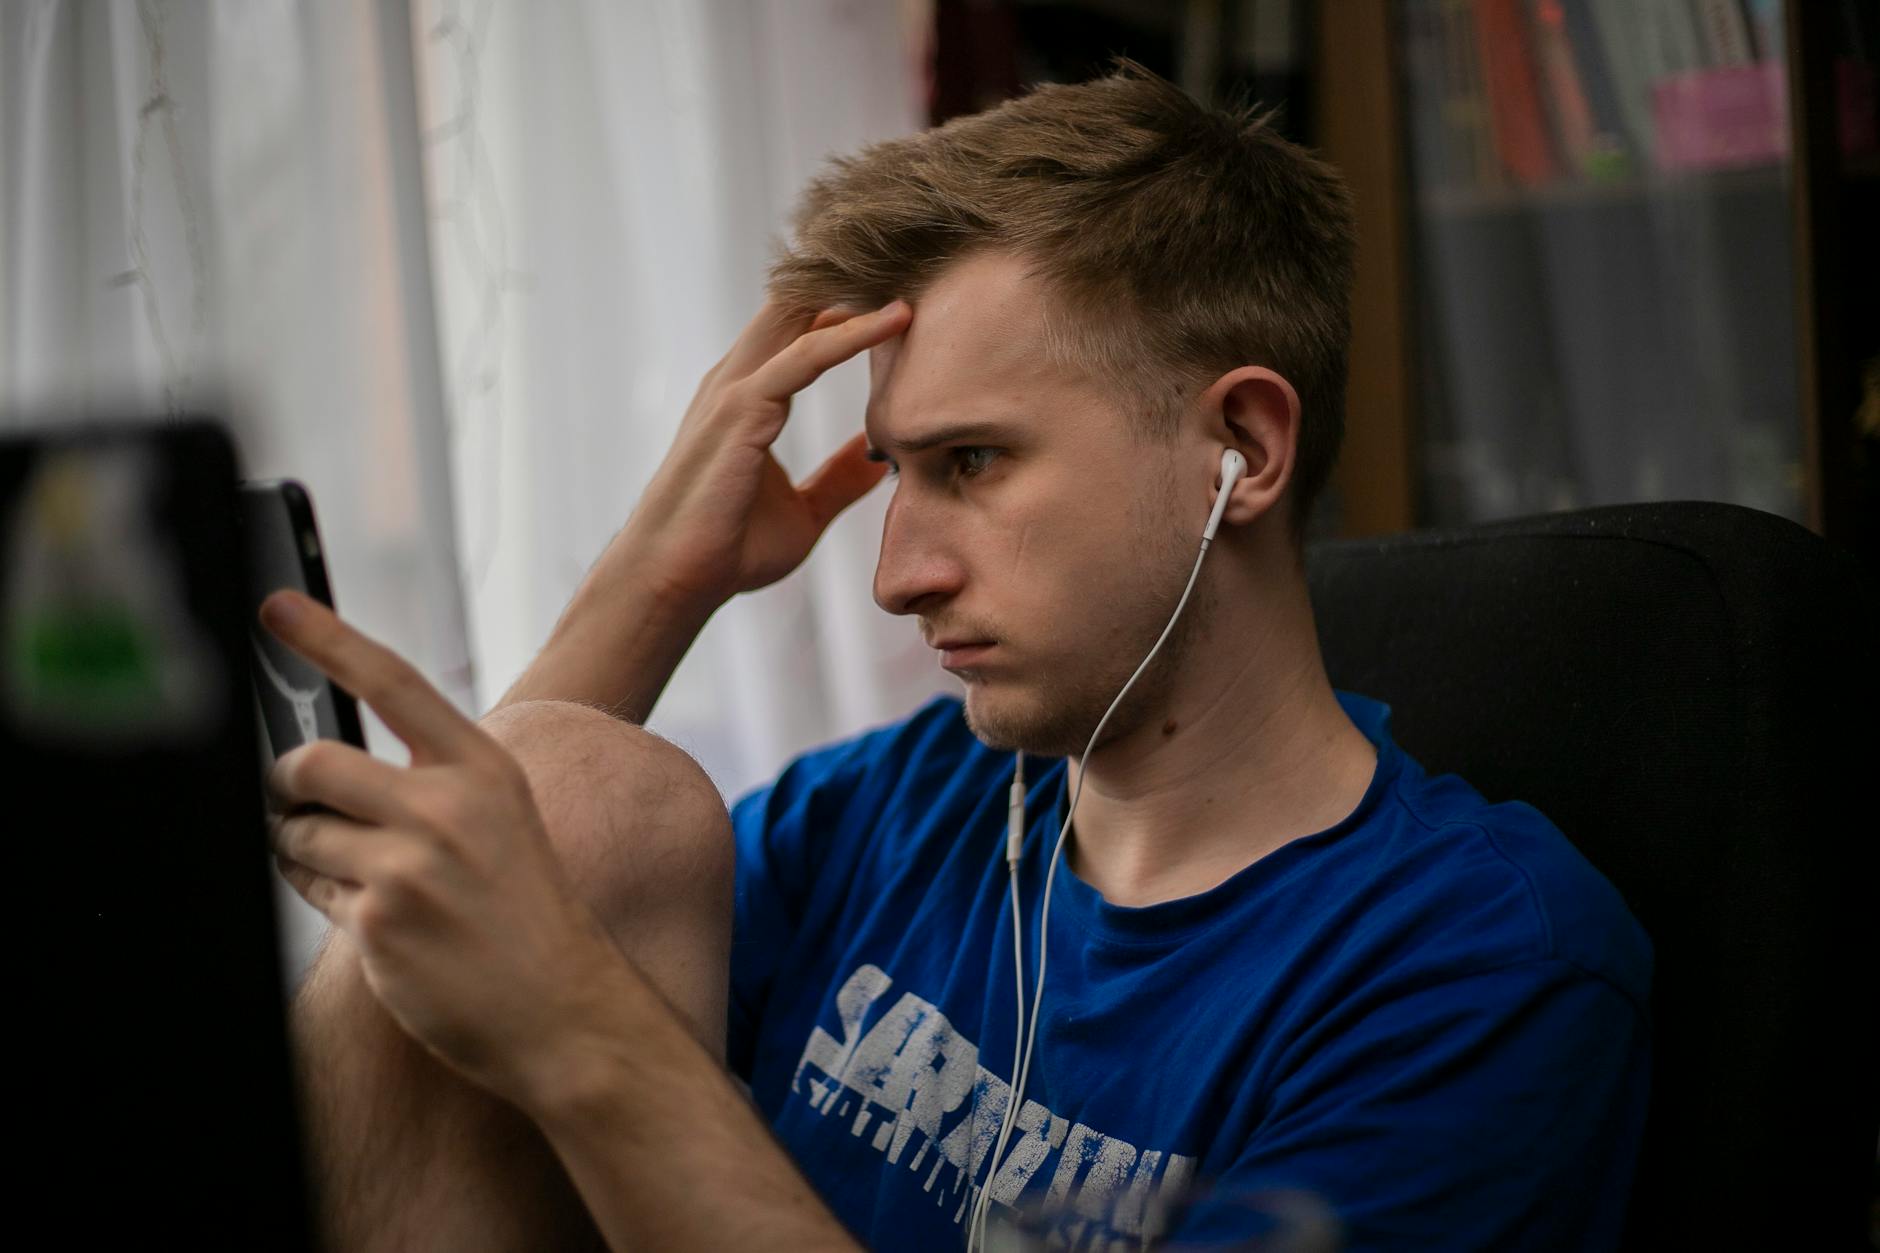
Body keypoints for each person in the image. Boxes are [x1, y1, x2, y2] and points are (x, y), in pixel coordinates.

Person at [266, 64, 1651, 1251]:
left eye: (971, 461)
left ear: (1246, 448)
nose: (891, 573)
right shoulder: (897, 808)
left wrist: (577, 1032)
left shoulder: (1480, 970)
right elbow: (506, 904)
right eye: (892, 470)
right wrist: (658, 578)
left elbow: (562, 1000)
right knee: (585, 785)